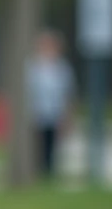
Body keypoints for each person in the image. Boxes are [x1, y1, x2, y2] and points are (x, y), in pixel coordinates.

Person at [26, 29, 76, 179]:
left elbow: (68, 94)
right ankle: (37, 172)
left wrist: (68, 117)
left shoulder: (63, 69)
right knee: (37, 146)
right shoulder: (32, 67)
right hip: (36, 114)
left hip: (55, 114)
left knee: (52, 147)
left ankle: (49, 173)